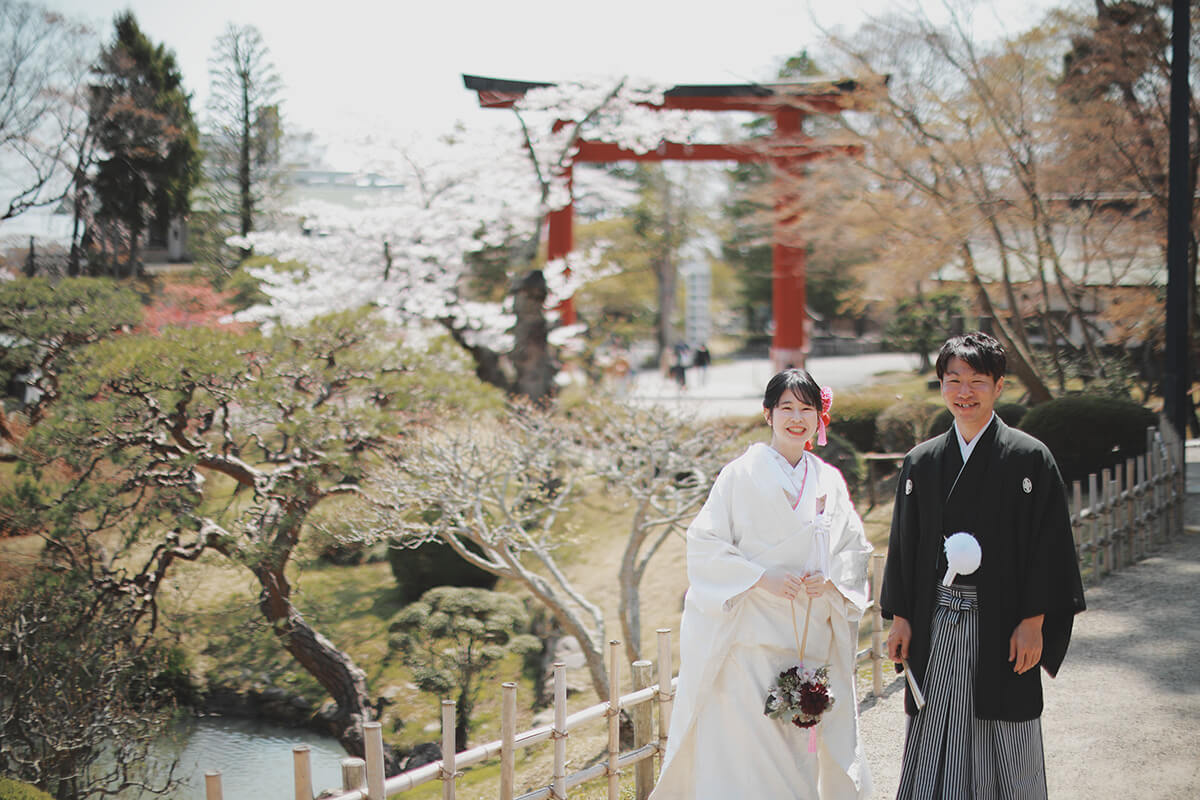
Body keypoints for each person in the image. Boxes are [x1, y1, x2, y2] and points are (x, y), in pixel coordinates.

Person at [650, 368, 873, 800]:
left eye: (806, 409)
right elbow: (704, 545)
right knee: (751, 756)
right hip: (748, 641)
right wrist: (759, 577)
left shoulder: (829, 480)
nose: (796, 417)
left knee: (799, 755)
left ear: (819, 418)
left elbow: (855, 550)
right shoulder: (739, 475)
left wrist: (829, 576)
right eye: (786, 407)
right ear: (767, 414)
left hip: (808, 640)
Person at [881, 332, 1086, 799]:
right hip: (938, 617)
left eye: (977, 380)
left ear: (998, 386)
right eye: (953, 380)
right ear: (940, 386)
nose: (964, 392)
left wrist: (1034, 621)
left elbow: (1048, 546)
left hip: (1006, 617)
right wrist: (902, 617)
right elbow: (905, 547)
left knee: (1006, 729)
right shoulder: (922, 461)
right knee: (936, 726)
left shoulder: (1030, 457)